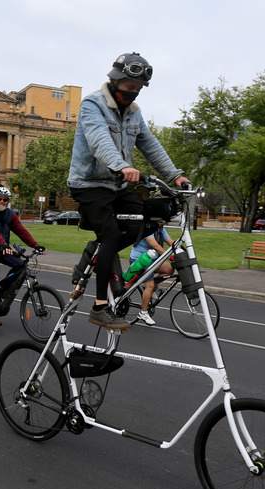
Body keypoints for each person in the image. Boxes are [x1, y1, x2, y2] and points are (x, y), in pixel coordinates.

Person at [67, 52, 191, 329]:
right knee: (111, 233)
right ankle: (99, 307)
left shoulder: (134, 114)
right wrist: (121, 165)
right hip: (89, 184)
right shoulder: (92, 104)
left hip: (117, 185)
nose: (132, 94)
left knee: (145, 224)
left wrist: (176, 176)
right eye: (129, 87)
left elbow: (151, 145)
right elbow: (100, 141)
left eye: (137, 90)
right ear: (114, 80)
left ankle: (100, 254)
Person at [0, 186, 45, 327]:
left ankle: (3, 289)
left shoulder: (10, 214)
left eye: (5, 200)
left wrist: (35, 245)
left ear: (8, 201)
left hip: (1, 248)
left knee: (20, 265)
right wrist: (3, 243)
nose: (2, 201)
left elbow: (21, 231)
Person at [124, 219, 175, 326]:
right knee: (149, 285)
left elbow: (172, 243)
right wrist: (172, 257)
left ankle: (152, 289)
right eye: (158, 218)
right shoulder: (148, 229)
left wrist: (184, 253)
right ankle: (143, 312)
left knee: (169, 269)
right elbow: (156, 246)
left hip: (153, 260)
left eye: (163, 218)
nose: (161, 220)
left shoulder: (161, 230)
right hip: (140, 260)